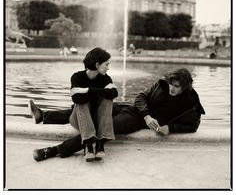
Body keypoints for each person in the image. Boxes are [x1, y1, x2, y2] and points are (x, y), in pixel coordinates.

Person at [31, 68, 205, 162]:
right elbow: (140, 97)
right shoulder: (161, 84)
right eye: (171, 84)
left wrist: (170, 128)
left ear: (185, 87)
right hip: (135, 110)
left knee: (100, 128)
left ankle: (54, 151)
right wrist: (146, 115)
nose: (171, 88)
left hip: (133, 120)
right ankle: (43, 116)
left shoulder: (190, 104)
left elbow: (193, 126)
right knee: (92, 109)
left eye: (176, 86)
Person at [34, 47, 118, 162]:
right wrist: (100, 92)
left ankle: (99, 145)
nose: (108, 68)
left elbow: (114, 93)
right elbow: (76, 98)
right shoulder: (77, 77)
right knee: (82, 102)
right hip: (79, 118)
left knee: (108, 99)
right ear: (97, 65)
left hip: (97, 119)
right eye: (106, 64)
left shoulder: (105, 78)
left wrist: (88, 90)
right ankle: (88, 145)